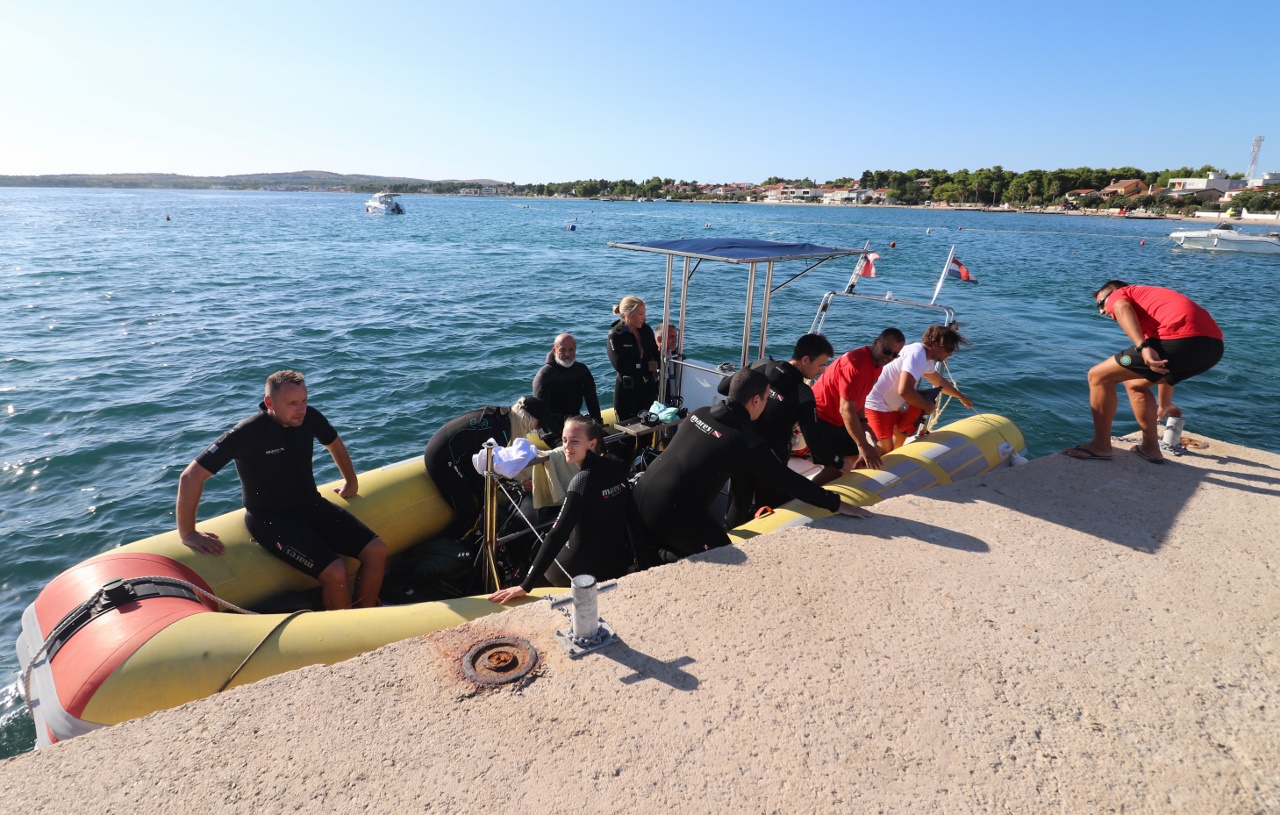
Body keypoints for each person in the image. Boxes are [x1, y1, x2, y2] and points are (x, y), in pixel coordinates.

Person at [176, 370, 387, 610]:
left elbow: (334, 443)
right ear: (269, 402)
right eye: (293, 403)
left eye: (304, 400)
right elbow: (190, 476)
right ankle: (349, 631)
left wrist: (351, 480)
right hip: (271, 521)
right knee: (335, 571)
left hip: (312, 506)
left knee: (376, 550)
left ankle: (368, 613)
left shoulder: (309, 418)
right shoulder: (247, 433)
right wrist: (188, 533)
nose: (301, 409)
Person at [633, 367, 871, 560]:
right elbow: (789, 481)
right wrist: (836, 504)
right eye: (767, 398)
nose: (768, 403)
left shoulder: (700, 413)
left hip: (641, 493)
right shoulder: (745, 440)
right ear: (756, 400)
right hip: (671, 512)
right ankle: (665, 558)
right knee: (727, 556)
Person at [1063, 280, 1223, 464]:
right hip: (1212, 349)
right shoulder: (1153, 306)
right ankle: (1150, 449)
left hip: (1181, 340)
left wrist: (1142, 346)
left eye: (1101, 304)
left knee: (1098, 376)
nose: (1101, 311)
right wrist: (1165, 404)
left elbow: (1121, 306)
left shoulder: (1122, 293)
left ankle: (1101, 446)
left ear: (1112, 293)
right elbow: (1164, 368)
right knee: (1135, 384)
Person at [488, 416, 635, 603]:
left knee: (535, 556)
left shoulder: (581, 482)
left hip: (579, 568)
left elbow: (557, 534)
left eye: (574, 441)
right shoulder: (617, 470)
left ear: (592, 444)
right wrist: (644, 566)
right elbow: (633, 519)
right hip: (614, 563)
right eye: (564, 440)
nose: (567, 446)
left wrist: (525, 585)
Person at [721, 333, 856, 527]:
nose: (822, 370)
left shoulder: (761, 365)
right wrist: (837, 461)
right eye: (820, 365)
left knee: (738, 501)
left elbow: (724, 387)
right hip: (772, 458)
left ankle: (729, 541)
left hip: (742, 446)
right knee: (766, 507)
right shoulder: (803, 393)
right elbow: (815, 442)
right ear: (805, 360)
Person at [423, 397, 553, 538]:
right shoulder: (501, 432)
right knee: (469, 515)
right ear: (527, 418)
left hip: (454, 454)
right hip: (443, 460)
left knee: (481, 500)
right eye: (537, 424)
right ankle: (447, 549)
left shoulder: (502, 418)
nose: (536, 429)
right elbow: (488, 471)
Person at [865, 325, 974, 454]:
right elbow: (904, 391)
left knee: (901, 435)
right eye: (948, 349)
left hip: (890, 407)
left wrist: (960, 396)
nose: (950, 354)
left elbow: (938, 381)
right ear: (935, 345)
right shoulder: (916, 356)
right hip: (876, 405)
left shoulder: (924, 357)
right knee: (884, 449)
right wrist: (928, 407)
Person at [810, 328, 906, 471]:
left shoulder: (877, 364)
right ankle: (810, 492)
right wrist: (864, 445)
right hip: (821, 414)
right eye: (887, 351)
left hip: (841, 417)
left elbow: (860, 397)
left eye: (895, 355)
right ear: (876, 343)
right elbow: (846, 410)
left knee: (852, 457)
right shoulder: (856, 366)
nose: (889, 357)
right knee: (835, 468)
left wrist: (862, 422)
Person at [532, 333, 602, 442]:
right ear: (554, 351)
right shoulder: (544, 376)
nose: (567, 354)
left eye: (571, 350)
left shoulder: (582, 371)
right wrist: (562, 435)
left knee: (611, 446)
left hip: (575, 423)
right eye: (562, 350)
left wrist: (598, 427)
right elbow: (542, 415)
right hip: (551, 430)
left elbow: (592, 402)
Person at [606, 295, 661, 421]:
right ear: (628, 315)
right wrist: (646, 366)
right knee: (627, 438)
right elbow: (620, 365)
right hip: (626, 392)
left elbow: (655, 355)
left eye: (644, 313)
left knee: (647, 434)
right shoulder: (615, 335)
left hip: (647, 390)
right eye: (641, 314)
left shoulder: (646, 330)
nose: (644, 318)